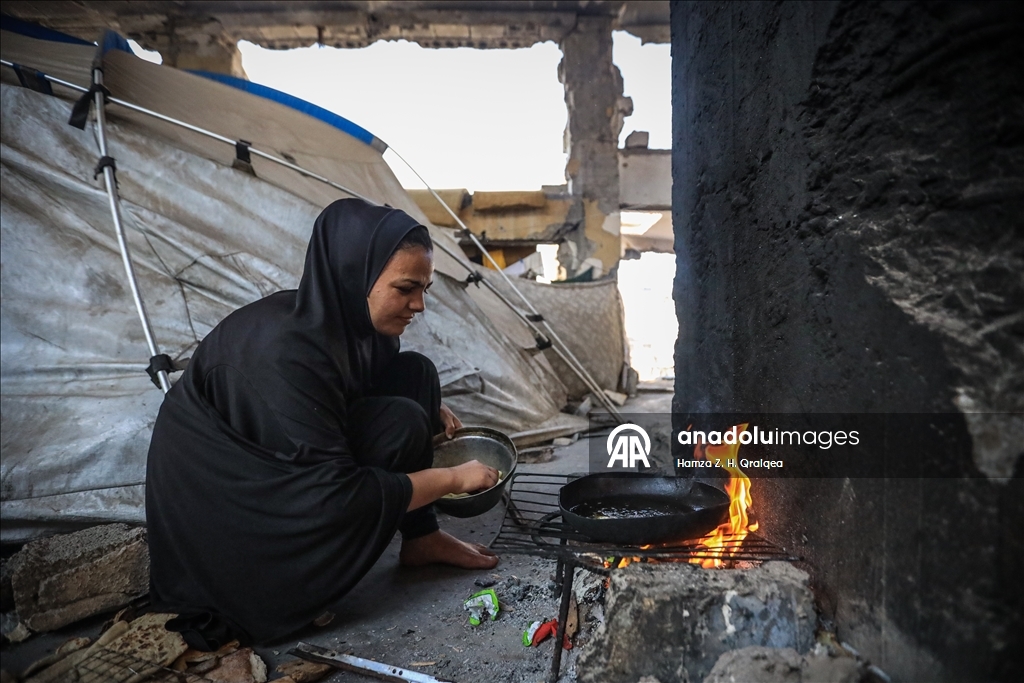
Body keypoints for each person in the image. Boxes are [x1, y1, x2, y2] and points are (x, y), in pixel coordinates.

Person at [145, 198, 499, 649]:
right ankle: (287, 588)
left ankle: (421, 538)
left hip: (285, 466)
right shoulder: (283, 351)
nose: (419, 305)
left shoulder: (356, 326)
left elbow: (359, 391)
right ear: (354, 275)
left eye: (424, 289)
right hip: (227, 519)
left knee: (416, 376)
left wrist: (431, 406)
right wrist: (451, 477)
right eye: (407, 288)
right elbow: (335, 497)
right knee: (403, 421)